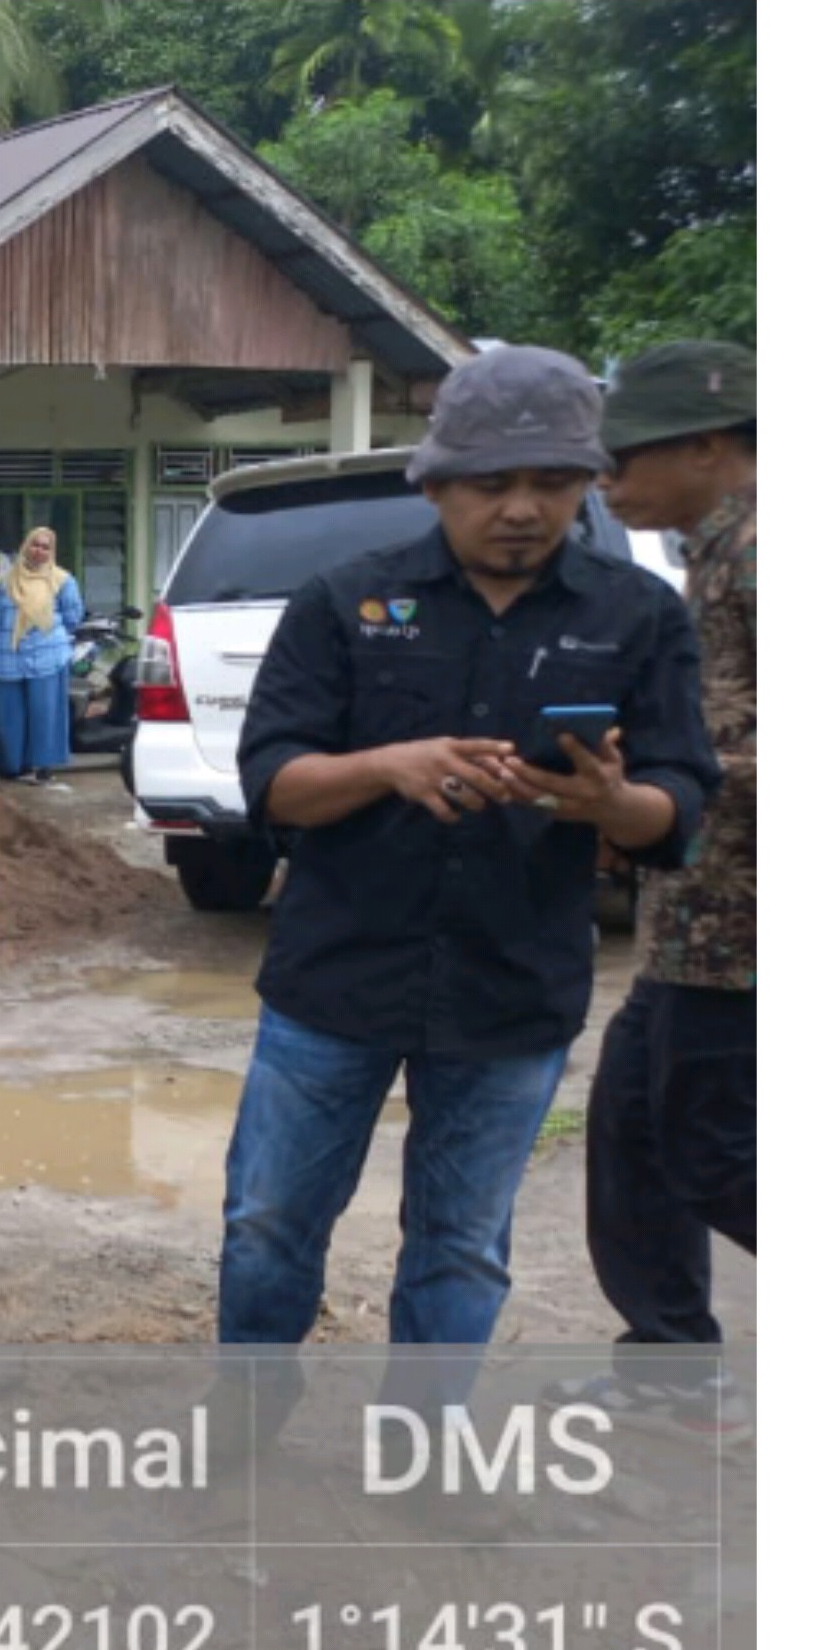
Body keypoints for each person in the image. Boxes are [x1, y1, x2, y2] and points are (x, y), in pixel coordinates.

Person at [216, 345, 716, 1357]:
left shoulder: (637, 615)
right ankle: (246, 1416)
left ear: (587, 482)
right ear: (435, 484)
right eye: (492, 484)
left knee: (461, 1250)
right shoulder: (344, 602)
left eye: (553, 482)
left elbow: (679, 804)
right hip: (334, 982)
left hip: (512, 989)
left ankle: (423, 1437)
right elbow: (270, 781)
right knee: (267, 1225)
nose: (523, 508)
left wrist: (611, 803)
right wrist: (387, 766)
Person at [575, 342, 754, 1422]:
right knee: (632, 1137)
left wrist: (664, 778)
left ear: (707, 445)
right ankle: (673, 1372)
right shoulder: (710, 554)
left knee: (713, 1155)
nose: (606, 485)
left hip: (749, 933)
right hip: (692, 920)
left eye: (623, 458)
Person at [0, 525, 81, 785]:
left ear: (51, 552)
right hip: (8, 656)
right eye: (35, 545)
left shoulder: (62, 581)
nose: (39, 551)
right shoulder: (8, 581)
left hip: (47, 656)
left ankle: (42, 766)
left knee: (44, 713)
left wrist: (50, 635)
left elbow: (73, 618)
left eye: (45, 547)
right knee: (9, 715)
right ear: (26, 546)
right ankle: (13, 766)